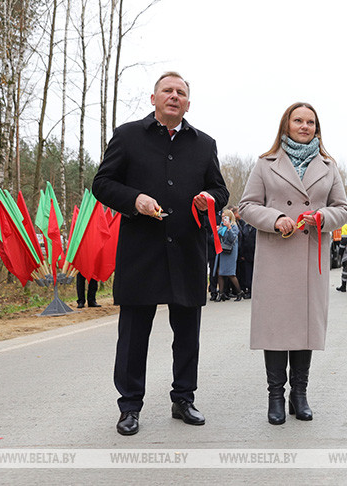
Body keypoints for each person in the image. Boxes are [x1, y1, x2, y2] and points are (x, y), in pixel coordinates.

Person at [92, 71, 229, 436]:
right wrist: (133, 199)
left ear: (188, 103)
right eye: (167, 90)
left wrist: (210, 199)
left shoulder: (204, 144)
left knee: (187, 335)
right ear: (153, 98)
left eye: (181, 92)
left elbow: (220, 190)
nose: (174, 96)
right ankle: (129, 406)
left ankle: (183, 398)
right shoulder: (127, 136)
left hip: (187, 251)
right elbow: (101, 183)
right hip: (141, 252)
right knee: (134, 335)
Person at [240, 102, 347, 425]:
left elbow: (343, 209)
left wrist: (322, 217)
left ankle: (299, 394)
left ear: (317, 128)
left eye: (310, 122)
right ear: (286, 125)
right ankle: (275, 395)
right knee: (276, 328)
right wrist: (275, 219)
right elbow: (246, 206)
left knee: (305, 327)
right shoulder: (265, 163)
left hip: (310, 256)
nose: (304, 126)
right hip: (276, 255)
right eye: (298, 120)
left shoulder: (329, 165)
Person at [213, 209, 242, 301]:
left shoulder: (234, 226)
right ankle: (221, 294)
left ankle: (239, 292)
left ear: (229, 217)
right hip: (222, 252)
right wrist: (216, 231)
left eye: (225, 217)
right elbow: (215, 239)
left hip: (230, 252)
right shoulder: (221, 226)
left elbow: (232, 238)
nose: (223, 219)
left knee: (231, 274)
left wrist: (229, 227)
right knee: (220, 273)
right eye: (222, 217)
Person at [236, 207, 256, 299]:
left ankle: (254, 290)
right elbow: (242, 240)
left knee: (254, 274)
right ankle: (249, 290)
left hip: (255, 254)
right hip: (246, 254)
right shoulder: (245, 227)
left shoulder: (256, 228)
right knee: (248, 274)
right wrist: (242, 254)